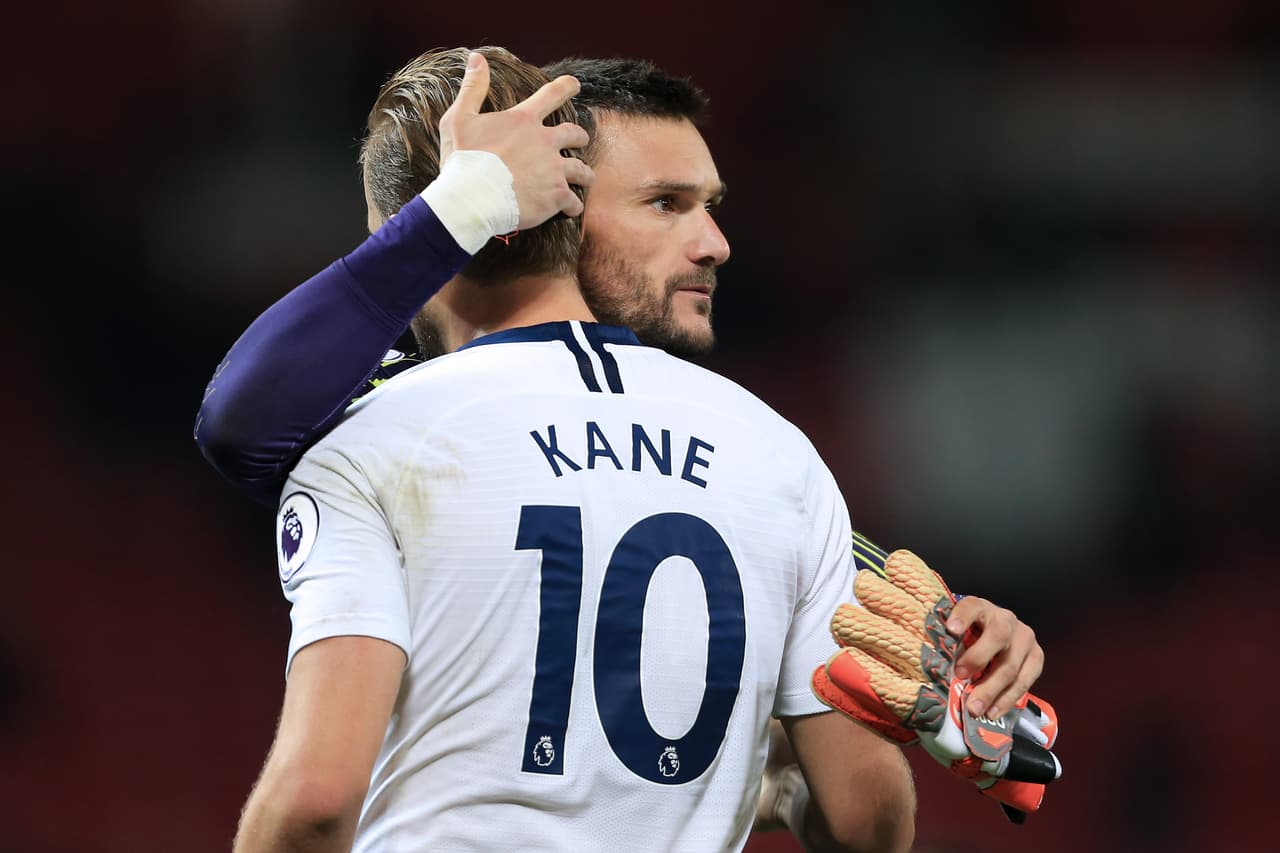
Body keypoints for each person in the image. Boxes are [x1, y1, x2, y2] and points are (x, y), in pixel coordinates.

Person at [196, 52, 1044, 731]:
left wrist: (974, 640)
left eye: (710, 205)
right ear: (546, 205)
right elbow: (240, 418)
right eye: (664, 204)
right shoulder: (409, 402)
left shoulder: (736, 449)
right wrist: (457, 209)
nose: (713, 241)